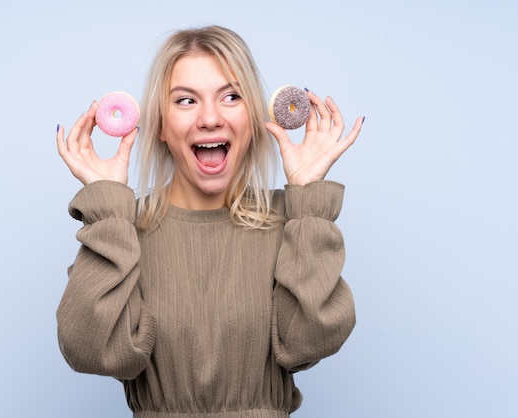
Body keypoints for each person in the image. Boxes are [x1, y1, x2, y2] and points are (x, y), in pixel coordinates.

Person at [55, 25, 363, 418]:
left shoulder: (293, 221)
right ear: (162, 125)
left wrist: (308, 198)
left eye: (231, 97)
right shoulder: (123, 229)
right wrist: (106, 207)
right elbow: (91, 351)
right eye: (186, 101)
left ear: (252, 119)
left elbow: (310, 341)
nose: (211, 118)